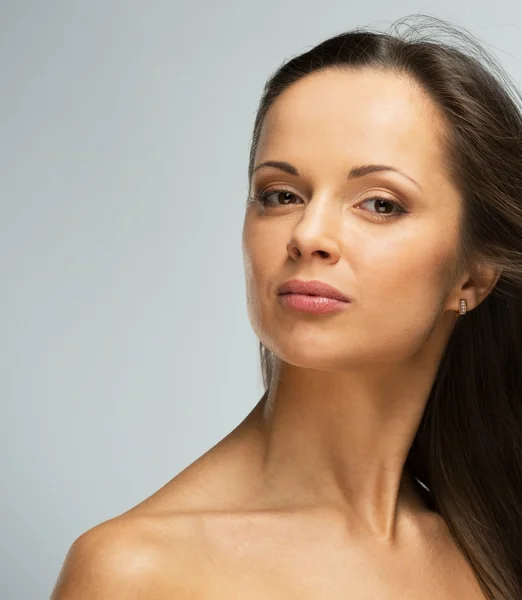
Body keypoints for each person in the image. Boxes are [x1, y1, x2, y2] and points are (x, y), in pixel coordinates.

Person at [50, 14, 522, 600]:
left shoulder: (493, 548)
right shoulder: (136, 571)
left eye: (379, 204)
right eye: (281, 195)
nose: (309, 233)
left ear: (474, 276)